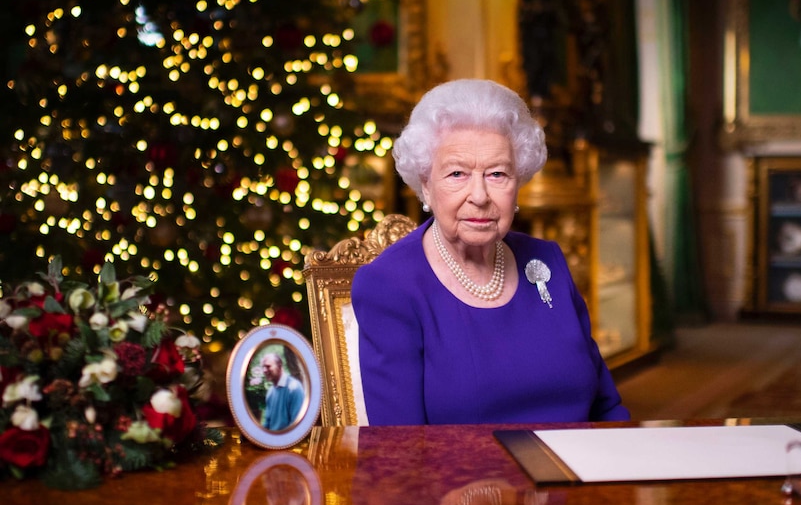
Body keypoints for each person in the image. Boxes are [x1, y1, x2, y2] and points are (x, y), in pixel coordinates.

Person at [352, 78, 630, 425]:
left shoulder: (547, 261)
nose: (480, 195)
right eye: (457, 173)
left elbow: (606, 407)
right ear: (426, 184)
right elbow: (401, 451)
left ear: (519, 182)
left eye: (498, 173)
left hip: (578, 472)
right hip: (465, 479)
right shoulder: (389, 285)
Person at [260, 352, 304, 431]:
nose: (264, 370)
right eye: (263, 367)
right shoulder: (270, 392)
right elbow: (267, 422)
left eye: (268, 366)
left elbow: (297, 425)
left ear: (279, 366)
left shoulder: (294, 388)